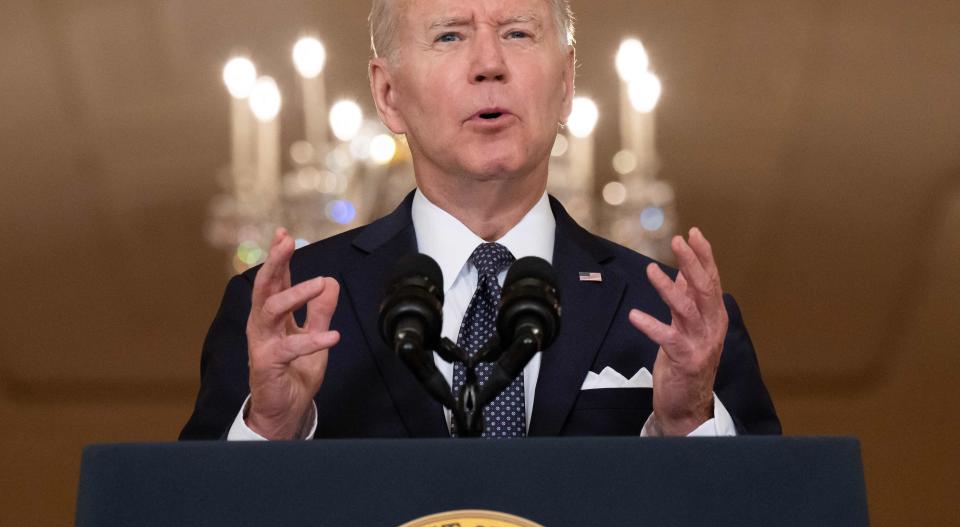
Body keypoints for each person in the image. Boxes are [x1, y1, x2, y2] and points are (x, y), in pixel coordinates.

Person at [180, 0, 779, 441]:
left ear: (567, 83)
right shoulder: (285, 314)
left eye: (518, 33)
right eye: (448, 37)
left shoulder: (677, 321)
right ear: (388, 94)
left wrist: (689, 422)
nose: (489, 64)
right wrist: (269, 427)